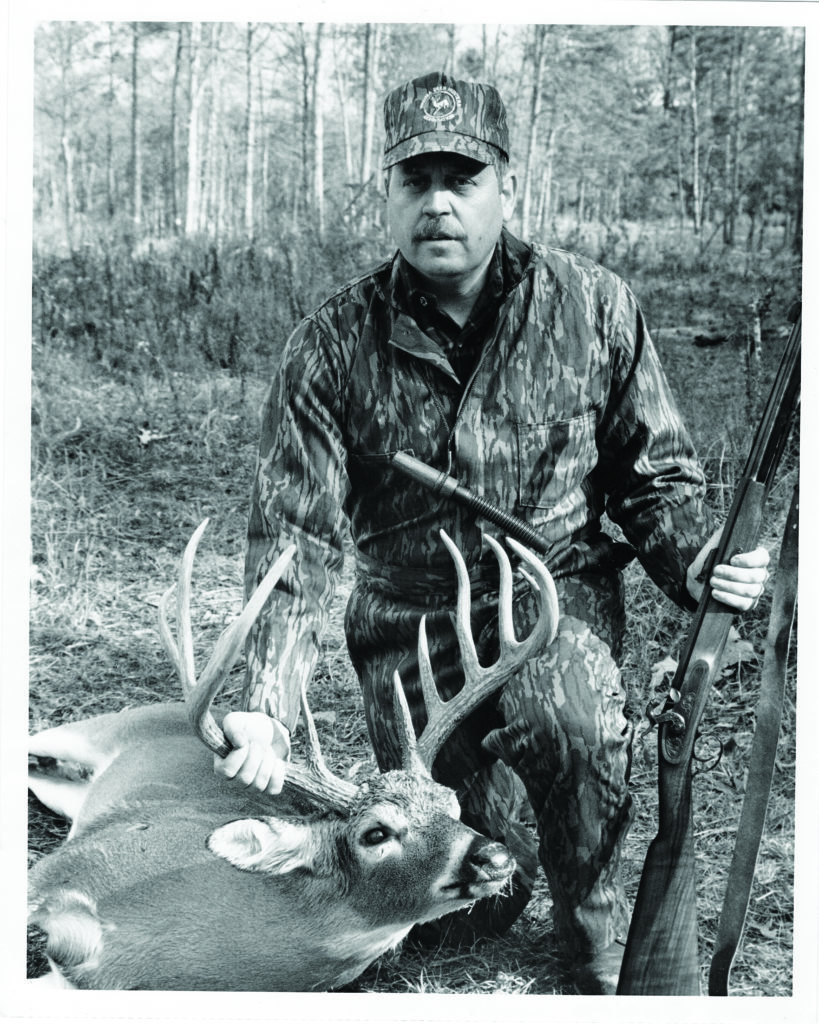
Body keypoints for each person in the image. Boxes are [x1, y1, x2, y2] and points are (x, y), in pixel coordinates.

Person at [215, 71, 769, 994]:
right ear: (386, 195)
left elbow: (654, 479)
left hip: (554, 605)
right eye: (415, 179)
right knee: (448, 881)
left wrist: (698, 558)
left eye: (462, 178)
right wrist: (267, 700)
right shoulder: (331, 342)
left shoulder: (592, 306)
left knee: (579, 735)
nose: (438, 203)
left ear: (507, 185)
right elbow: (296, 538)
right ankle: (501, 847)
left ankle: (589, 912)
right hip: (411, 632)